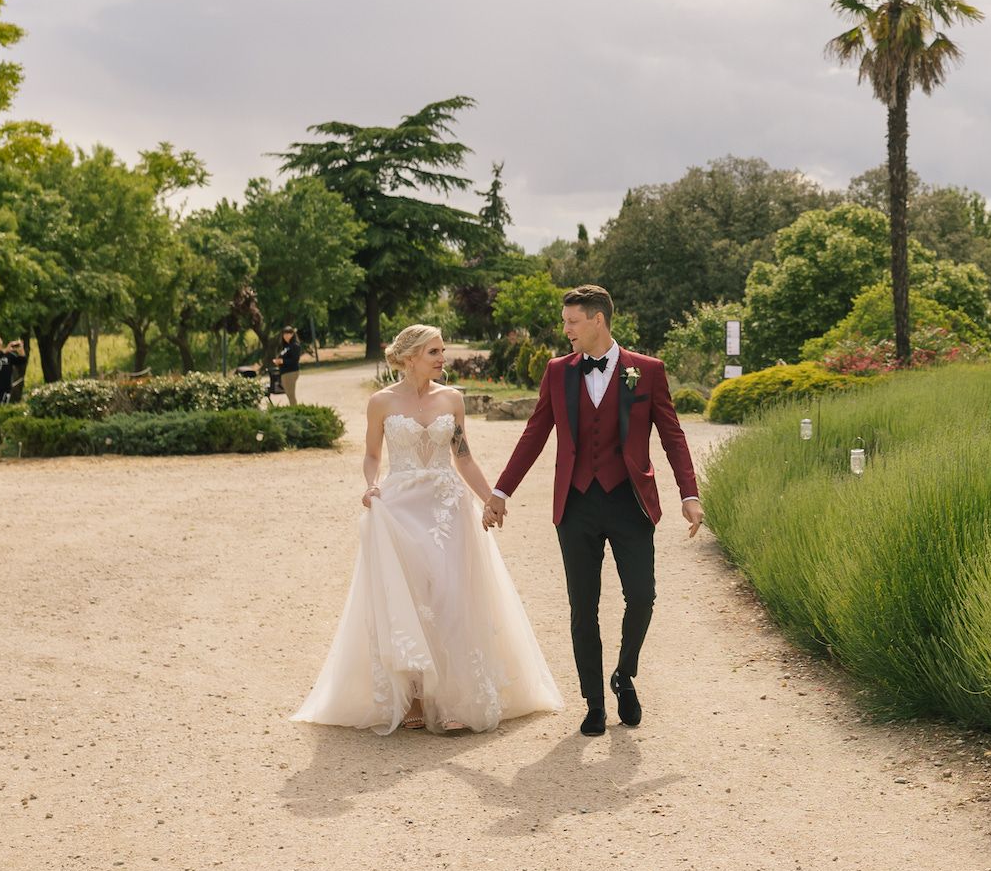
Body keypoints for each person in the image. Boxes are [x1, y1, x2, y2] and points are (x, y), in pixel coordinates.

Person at [293, 324, 562, 734]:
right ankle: (415, 698)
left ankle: (454, 700)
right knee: (412, 596)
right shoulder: (380, 403)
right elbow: (370, 455)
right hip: (399, 507)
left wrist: (491, 497)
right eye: (435, 351)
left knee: (451, 595)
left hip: (447, 509)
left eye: (442, 350)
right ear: (410, 356)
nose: (442, 358)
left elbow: (464, 457)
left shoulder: (452, 399)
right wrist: (371, 486)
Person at [488, 284, 702, 737]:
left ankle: (624, 676)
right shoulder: (557, 372)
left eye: (572, 322)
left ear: (597, 321)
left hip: (630, 503)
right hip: (577, 504)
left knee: (642, 597)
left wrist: (689, 493)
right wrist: (501, 492)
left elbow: (672, 435)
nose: (565, 330)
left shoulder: (647, 371)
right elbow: (534, 434)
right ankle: (593, 704)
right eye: (565, 322)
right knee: (582, 608)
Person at [272, 326, 305, 406]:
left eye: (289, 333)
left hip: (291, 372)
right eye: (285, 333)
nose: (286, 335)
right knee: (288, 394)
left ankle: (295, 410)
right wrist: (277, 361)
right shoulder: (285, 346)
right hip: (284, 372)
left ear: (293, 334)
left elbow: (294, 360)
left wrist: (282, 361)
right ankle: (293, 408)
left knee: (291, 394)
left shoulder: (295, 346)